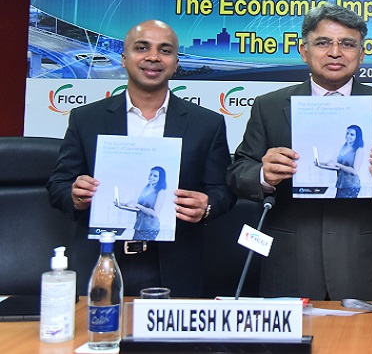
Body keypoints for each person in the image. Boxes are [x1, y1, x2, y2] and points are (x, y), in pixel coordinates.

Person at [226, 4, 372, 301]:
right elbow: (238, 172)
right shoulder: (268, 106)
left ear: (361, 54)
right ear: (303, 51)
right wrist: (263, 175)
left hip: (363, 261)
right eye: (323, 43)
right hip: (290, 260)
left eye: (347, 44)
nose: (335, 52)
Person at [46, 19, 235, 297]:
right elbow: (58, 185)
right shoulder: (86, 119)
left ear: (176, 62)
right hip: (101, 260)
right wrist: (74, 195)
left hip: (175, 265)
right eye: (142, 48)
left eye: (165, 50)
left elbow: (223, 191)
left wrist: (206, 206)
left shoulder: (206, 124)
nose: (153, 57)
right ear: (124, 58)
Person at [121, 166, 168, 240]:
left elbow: (154, 213)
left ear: (160, 179)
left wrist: (136, 204)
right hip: (139, 226)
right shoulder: (145, 189)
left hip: (149, 229)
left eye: (155, 176)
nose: (151, 177)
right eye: (150, 174)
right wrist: (123, 206)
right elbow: (140, 209)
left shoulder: (161, 192)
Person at [328, 125, 365, 198]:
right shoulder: (343, 148)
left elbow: (354, 171)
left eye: (352, 134)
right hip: (341, 184)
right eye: (347, 133)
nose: (348, 136)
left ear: (357, 137)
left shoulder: (359, 150)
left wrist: (336, 164)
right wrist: (322, 165)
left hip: (351, 186)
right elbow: (340, 167)